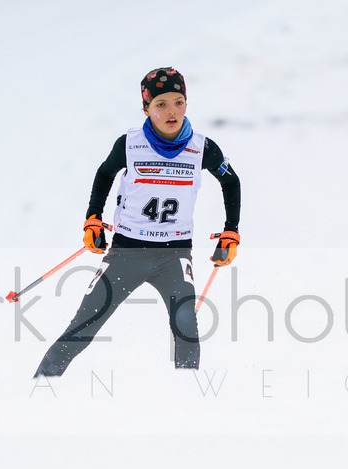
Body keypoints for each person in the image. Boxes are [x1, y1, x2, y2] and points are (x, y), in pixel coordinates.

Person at [34, 67, 241, 377]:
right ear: (146, 108)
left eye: (179, 101)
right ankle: (40, 387)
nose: (172, 111)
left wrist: (231, 232)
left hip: (174, 255)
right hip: (127, 252)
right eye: (161, 104)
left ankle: (187, 401)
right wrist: (93, 219)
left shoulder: (202, 147)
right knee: (85, 324)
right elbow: (105, 174)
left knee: (186, 324)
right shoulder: (129, 144)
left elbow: (231, 181)